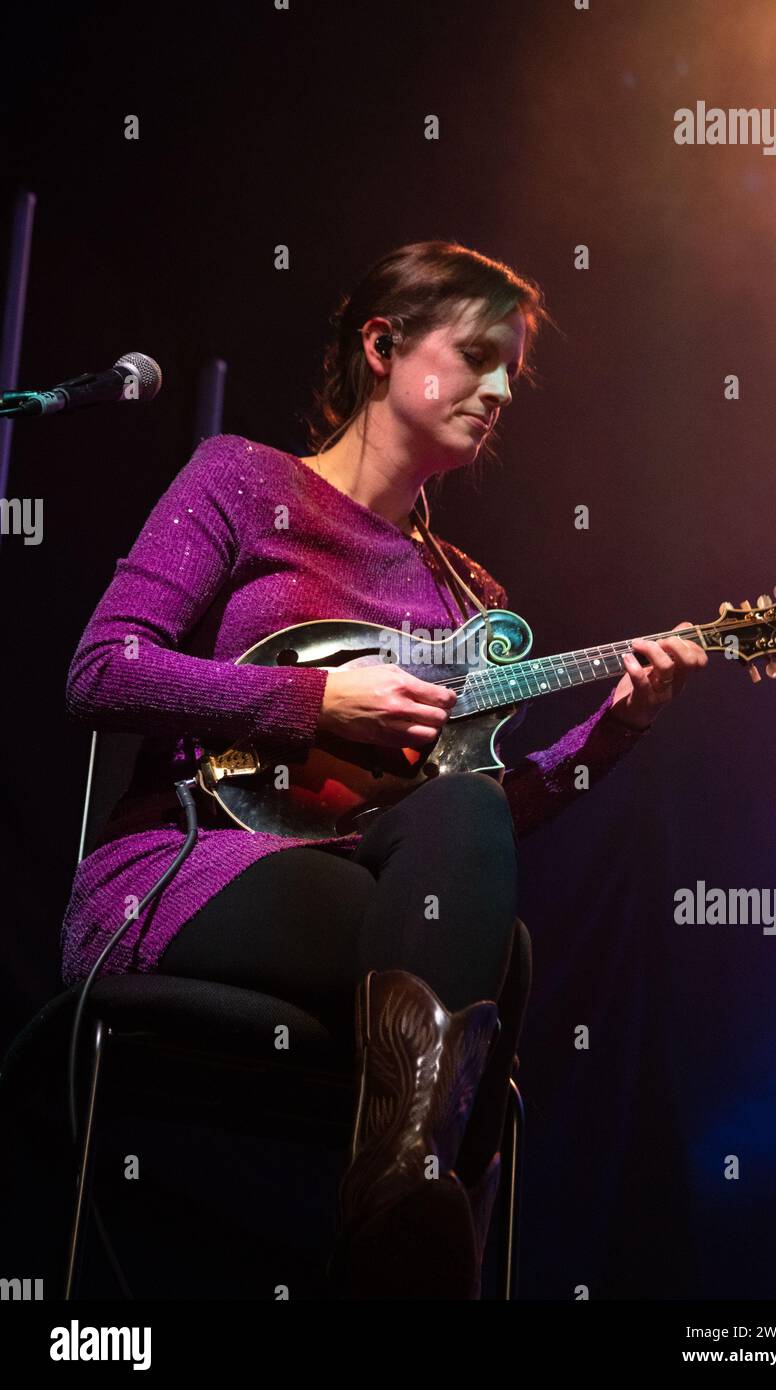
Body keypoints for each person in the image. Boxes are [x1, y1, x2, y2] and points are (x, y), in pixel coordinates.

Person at [61, 239, 708, 1299]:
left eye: (514, 370)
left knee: (464, 830)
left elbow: (483, 826)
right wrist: (317, 699)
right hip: (191, 867)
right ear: (382, 345)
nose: (501, 390)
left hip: (365, 885)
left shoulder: (466, 596)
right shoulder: (240, 479)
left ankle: (399, 1195)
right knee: (486, 949)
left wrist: (615, 730)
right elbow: (102, 668)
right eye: (479, 355)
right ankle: (407, 1221)